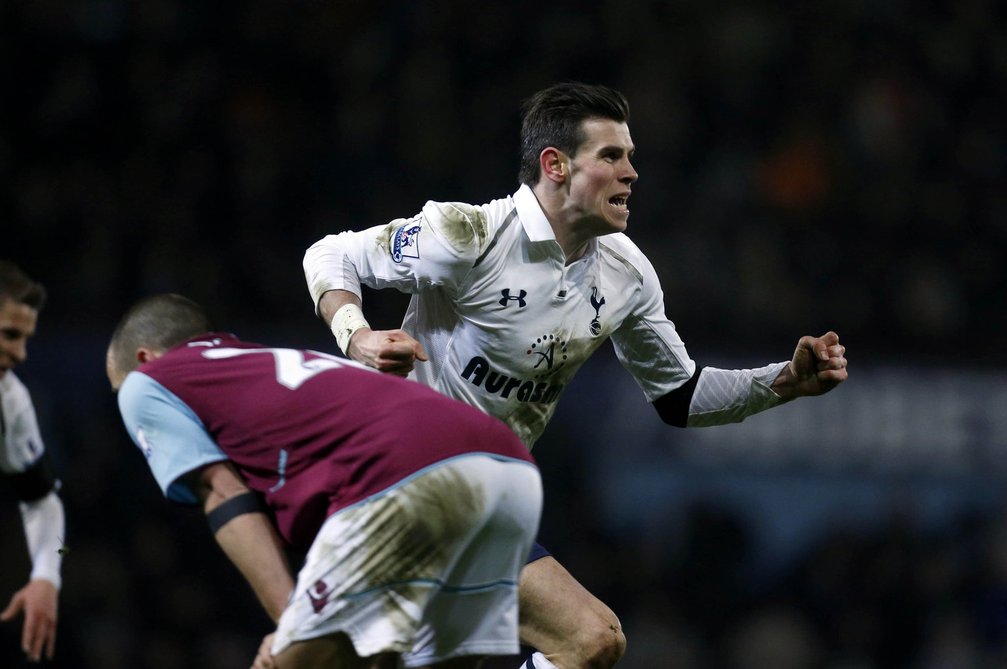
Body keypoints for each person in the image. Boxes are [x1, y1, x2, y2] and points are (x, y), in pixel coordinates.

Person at [302, 82, 849, 669]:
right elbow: (333, 254)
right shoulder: (472, 236)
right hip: (408, 477)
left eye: (631, 157)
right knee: (592, 639)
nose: (631, 172)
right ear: (555, 165)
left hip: (488, 499)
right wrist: (356, 335)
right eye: (611, 156)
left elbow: (680, 396)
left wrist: (783, 383)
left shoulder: (625, 273)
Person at [106, 293, 543, 669]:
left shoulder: (148, 382)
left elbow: (223, 491)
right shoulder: (277, 364)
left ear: (144, 359)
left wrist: (289, 627)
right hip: (507, 466)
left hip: (400, 473)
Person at [0, 260, 65, 665]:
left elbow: (44, 501)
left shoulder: (11, 402)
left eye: (26, 339)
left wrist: (47, 575)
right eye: (9, 335)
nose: (21, 354)